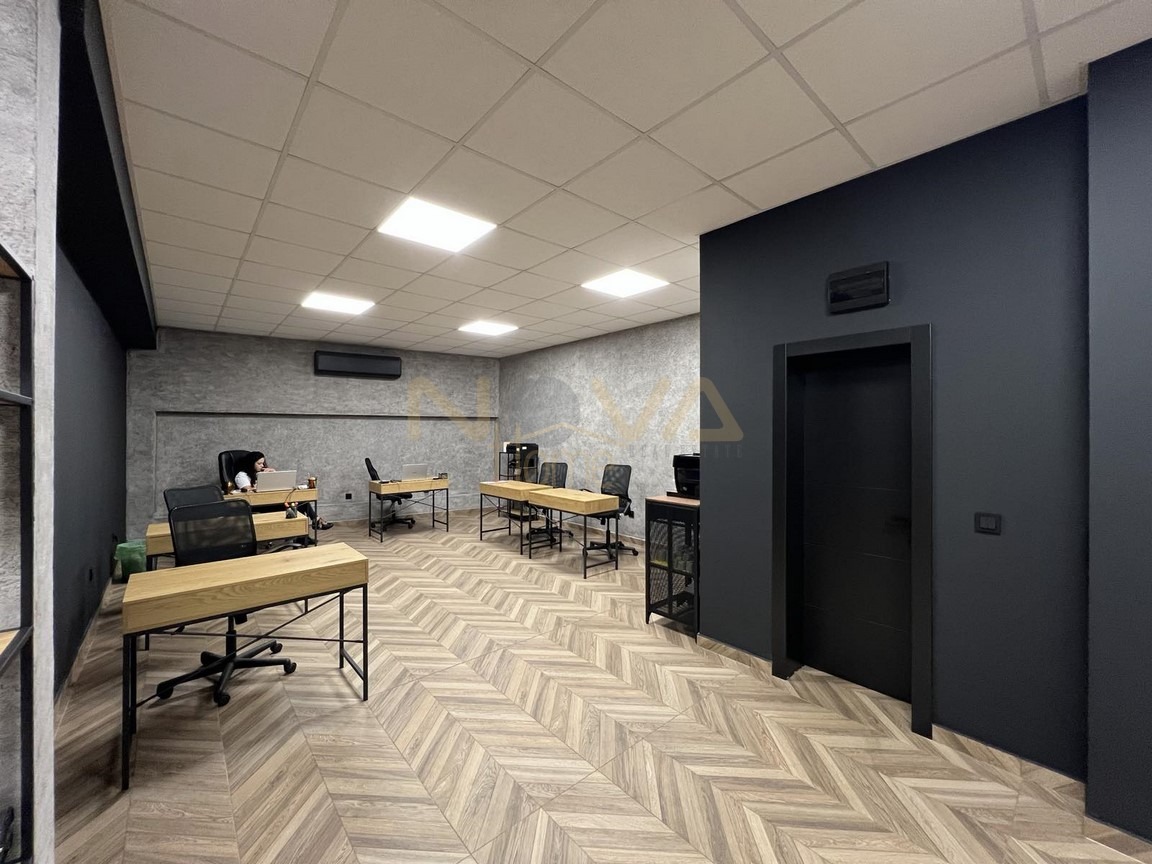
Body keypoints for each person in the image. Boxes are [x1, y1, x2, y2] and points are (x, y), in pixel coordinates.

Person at [234, 451, 332, 530]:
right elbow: (247, 490)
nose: (262, 465)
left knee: (301, 503)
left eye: (263, 463)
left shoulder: (259, 473)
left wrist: (272, 475)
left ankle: (305, 533)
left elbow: (274, 487)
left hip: (272, 501)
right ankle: (313, 524)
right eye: (259, 463)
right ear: (251, 464)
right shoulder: (242, 475)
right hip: (258, 505)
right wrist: (262, 477)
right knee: (298, 506)